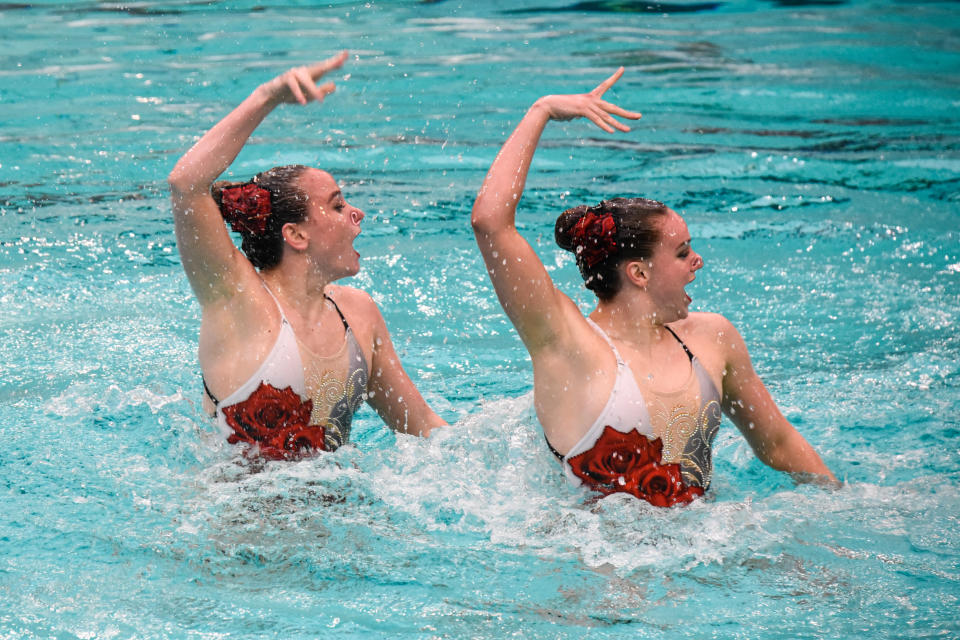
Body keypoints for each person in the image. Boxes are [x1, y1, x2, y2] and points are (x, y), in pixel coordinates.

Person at [470, 68, 837, 507]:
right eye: (682, 252)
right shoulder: (568, 345)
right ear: (638, 274)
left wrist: (842, 504)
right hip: (603, 565)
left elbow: (777, 442)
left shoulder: (712, 338)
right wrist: (542, 111)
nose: (697, 261)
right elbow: (490, 223)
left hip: (710, 547)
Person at [168, 52, 445, 459]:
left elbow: (426, 431)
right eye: (336, 206)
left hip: (337, 514)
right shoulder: (237, 301)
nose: (357, 213)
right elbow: (185, 184)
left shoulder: (359, 315)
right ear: (295, 235)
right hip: (241, 518)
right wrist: (269, 96)